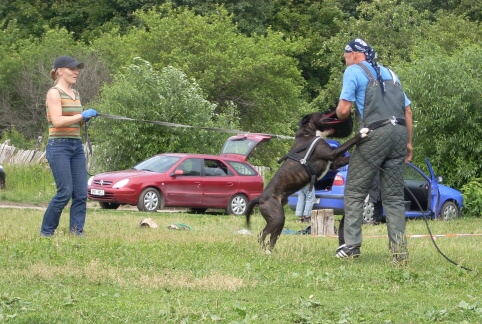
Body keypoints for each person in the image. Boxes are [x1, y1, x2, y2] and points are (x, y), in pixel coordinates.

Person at [334, 39, 413, 264]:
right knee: (395, 197)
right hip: (398, 134)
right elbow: (407, 112)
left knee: (355, 191)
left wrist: (338, 116)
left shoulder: (353, 71)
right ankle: (399, 253)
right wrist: (408, 143)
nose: (345, 59)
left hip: (375, 134)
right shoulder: (392, 74)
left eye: (345, 55)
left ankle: (351, 245)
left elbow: (343, 110)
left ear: (356, 55)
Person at [40, 56, 98, 237]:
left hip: (76, 146)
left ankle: (76, 232)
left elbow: (75, 123)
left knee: (80, 193)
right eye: (72, 69)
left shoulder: (76, 94)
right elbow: (57, 121)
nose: (76, 72)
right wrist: (81, 116)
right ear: (59, 71)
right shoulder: (54, 93)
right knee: (65, 192)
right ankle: (47, 231)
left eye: (77, 69)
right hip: (59, 147)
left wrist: (84, 119)